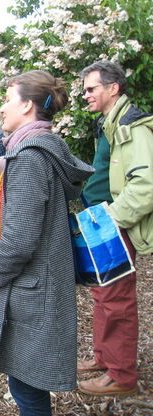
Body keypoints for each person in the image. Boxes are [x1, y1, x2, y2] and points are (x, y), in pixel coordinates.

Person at [0, 70, 94, 415]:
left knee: (26, 389)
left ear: (27, 105)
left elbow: (19, 240)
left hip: (34, 291)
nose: (1, 108)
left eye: (7, 100)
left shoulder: (29, 158)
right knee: (28, 386)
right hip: (44, 286)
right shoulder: (47, 149)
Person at [77, 60, 153, 397]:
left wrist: (112, 219)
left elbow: (146, 185)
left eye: (91, 89)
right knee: (103, 293)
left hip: (113, 224)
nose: (86, 95)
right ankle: (104, 359)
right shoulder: (109, 124)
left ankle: (122, 376)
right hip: (101, 222)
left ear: (113, 88)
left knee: (116, 298)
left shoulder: (132, 127)